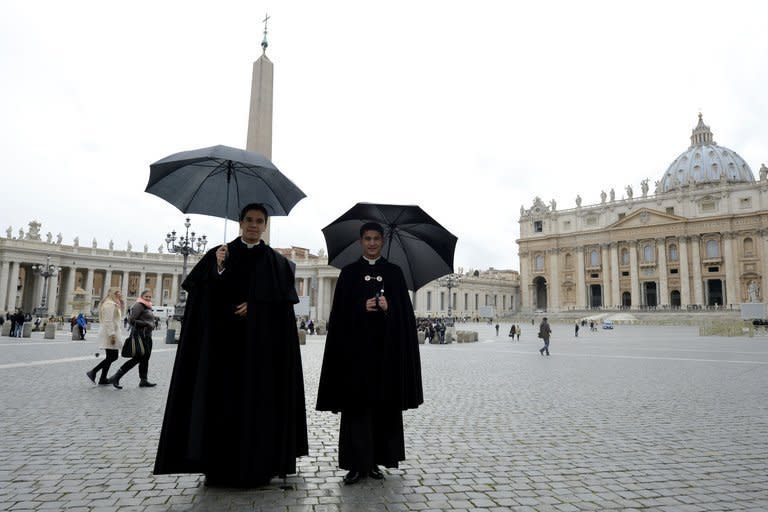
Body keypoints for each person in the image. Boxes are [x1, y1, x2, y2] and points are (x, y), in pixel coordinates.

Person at [154, 203, 308, 488]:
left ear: (265, 226)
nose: (253, 225)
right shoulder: (220, 254)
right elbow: (201, 298)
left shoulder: (278, 263)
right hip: (223, 351)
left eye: (259, 221)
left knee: (258, 408)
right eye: (248, 220)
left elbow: (282, 311)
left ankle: (260, 467)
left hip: (261, 353)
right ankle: (219, 467)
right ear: (240, 223)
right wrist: (218, 269)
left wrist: (257, 307)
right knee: (221, 408)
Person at [316, 222, 423, 485]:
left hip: (385, 357)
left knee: (382, 409)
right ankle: (355, 464)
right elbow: (338, 317)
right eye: (368, 239)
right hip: (356, 357)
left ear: (382, 241)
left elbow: (406, 320)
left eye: (376, 238)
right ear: (361, 241)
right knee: (356, 411)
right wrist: (359, 307)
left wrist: (390, 307)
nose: (372, 243)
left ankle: (375, 462)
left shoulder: (395, 273)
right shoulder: (349, 273)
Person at [107, 289, 157, 388]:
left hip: (147, 336)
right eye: (146, 296)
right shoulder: (138, 305)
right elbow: (131, 320)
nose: (148, 298)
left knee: (145, 358)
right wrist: (146, 324)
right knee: (137, 358)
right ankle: (116, 377)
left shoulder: (147, 306)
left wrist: (151, 324)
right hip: (140, 336)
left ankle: (143, 380)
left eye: (150, 297)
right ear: (142, 296)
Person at [86, 287, 124, 385]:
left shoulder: (112, 303)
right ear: (114, 293)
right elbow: (108, 321)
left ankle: (102, 378)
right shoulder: (109, 304)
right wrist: (112, 335)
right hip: (109, 333)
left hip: (111, 332)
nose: (120, 294)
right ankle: (93, 372)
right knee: (113, 356)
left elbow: (117, 318)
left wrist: (121, 305)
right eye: (118, 293)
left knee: (111, 356)